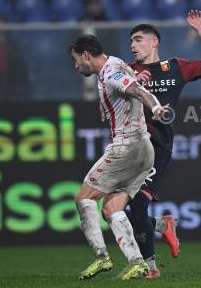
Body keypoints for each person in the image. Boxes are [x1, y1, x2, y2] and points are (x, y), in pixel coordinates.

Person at [127, 10, 201, 278]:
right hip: (130, 147)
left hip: (157, 146)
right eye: (131, 42)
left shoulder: (177, 67)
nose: (133, 46)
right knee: (114, 210)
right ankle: (162, 224)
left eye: (138, 40)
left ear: (154, 42)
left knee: (136, 206)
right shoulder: (128, 72)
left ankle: (151, 269)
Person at [68, 35, 170, 280]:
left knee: (84, 198)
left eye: (75, 60)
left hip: (127, 146)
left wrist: (155, 107)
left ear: (86, 55)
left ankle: (101, 257)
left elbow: (137, 90)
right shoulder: (117, 63)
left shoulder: (111, 72)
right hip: (145, 150)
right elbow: (132, 83)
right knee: (112, 207)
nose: (75, 66)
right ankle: (138, 263)